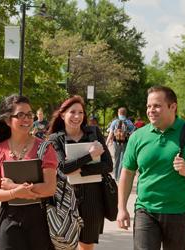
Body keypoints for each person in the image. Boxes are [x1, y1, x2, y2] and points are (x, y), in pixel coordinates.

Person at [117, 85, 185, 250]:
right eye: (149, 106)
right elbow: (127, 172)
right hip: (145, 210)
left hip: (181, 211)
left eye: (157, 105)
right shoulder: (138, 136)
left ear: (173, 106)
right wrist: (122, 208)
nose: (151, 110)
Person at [0, 94, 58, 250]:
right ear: (7, 120)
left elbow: (50, 188)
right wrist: (16, 193)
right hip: (9, 219)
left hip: (40, 220)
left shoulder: (45, 148)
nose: (26, 119)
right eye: (20, 115)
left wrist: (13, 187)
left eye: (29, 115)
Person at [48, 95, 113, 250]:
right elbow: (63, 168)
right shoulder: (55, 139)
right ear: (63, 115)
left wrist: (79, 169)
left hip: (92, 197)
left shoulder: (94, 133)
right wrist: (90, 156)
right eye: (73, 112)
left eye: (81, 112)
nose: (77, 116)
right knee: (64, 243)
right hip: (65, 198)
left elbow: (108, 165)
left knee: (87, 245)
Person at [106, 107, 135, 180]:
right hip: (125, 143)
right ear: (125, 113)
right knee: (123, 159)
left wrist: (107, 143)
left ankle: (115, 177)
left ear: (118, 113)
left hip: (116, 143)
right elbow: (133, 134)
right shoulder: (129, 122)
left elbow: (111, 133)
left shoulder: (114, 122)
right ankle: (120, 176)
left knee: (116, 159)